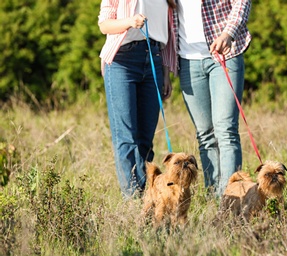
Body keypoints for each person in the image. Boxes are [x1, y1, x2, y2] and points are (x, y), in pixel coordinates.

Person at [98, 0, 177, 199]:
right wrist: (130, 21)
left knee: (145, 138)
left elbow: (167, 33)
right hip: (122, 60)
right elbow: (104, 25)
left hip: (154, 59)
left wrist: (166, 74)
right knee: (126, 136)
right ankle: (133, 200)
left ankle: (146, 197)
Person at [173, 0, 252, 197]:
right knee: (205, 134)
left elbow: (242, 2)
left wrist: (228, 33)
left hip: (224, 54)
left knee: (225, 130)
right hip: (188, 60)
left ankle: (231, 199)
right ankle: (213, 196)